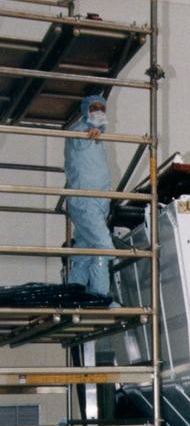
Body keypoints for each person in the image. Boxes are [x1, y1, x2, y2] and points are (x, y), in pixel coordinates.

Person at [65, 94, 112, 299]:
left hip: (98, 201)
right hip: (85, 200)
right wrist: (89, 131)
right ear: (85, 110)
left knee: (84, 252)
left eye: (102, 108)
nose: (99, 111)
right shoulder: (78, 132)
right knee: (104, 247)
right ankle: (100, 296)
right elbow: (80, 139)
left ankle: (72, 295)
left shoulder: (99, 138)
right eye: (94, 107)